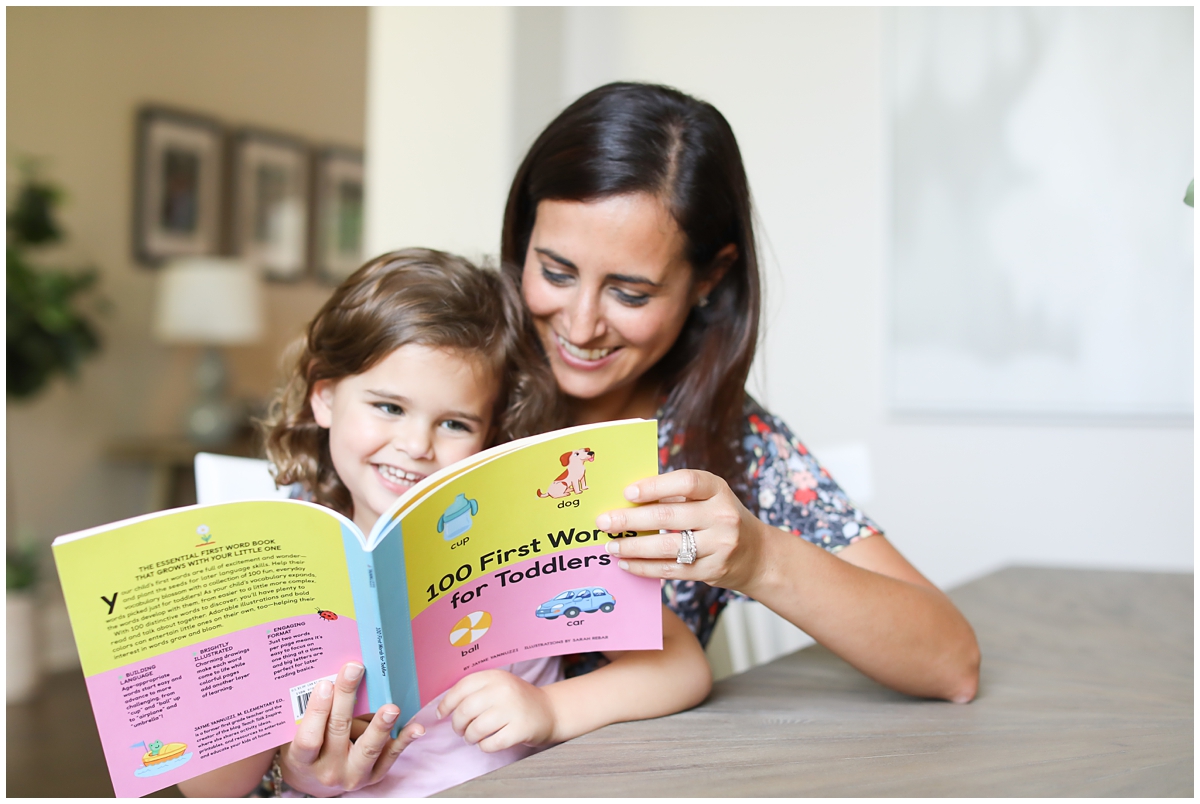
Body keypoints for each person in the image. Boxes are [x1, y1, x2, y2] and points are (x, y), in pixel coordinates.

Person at [501, 82, 981, 701]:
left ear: (711, 276)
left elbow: (951, 663)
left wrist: (759, 559)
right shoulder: (455, 374)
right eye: (556, 272)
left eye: (631, 293)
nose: (581, 323)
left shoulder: (731, 443)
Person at [178, 249, 711, 797]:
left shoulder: (528, 545)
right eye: (388, 407)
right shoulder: (273, 567)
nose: (415, 447)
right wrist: (297, 767)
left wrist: (550, 708)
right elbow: (210, 791)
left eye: (454, 422)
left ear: (490, 435)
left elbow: (681, 664)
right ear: (326, 396)